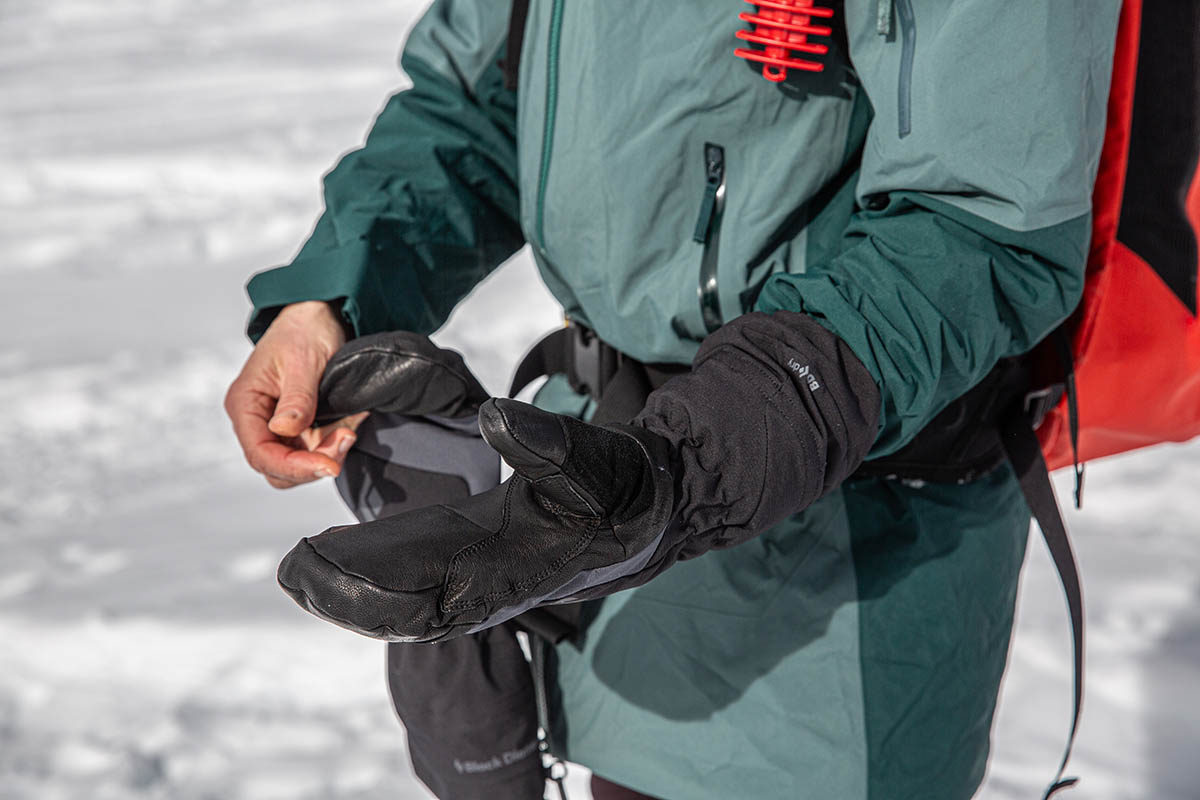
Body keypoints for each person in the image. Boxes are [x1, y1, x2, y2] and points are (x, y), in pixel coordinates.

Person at [225, 2, 1122, 798]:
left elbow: (982, 229)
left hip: (849, 539)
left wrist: (688, 468)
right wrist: (332, 299)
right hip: (604, 487)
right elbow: (478, 103)